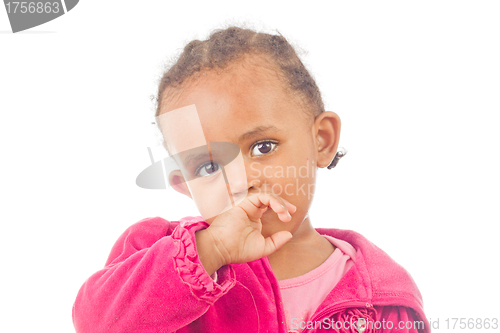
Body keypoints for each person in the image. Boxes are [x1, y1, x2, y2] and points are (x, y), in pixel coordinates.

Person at [72, 26, 430, 333]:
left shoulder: (382, 297)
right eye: (209, 168)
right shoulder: (157, 255)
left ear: (321, 140)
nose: (241, 182)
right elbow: (94, 321)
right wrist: (211, 250)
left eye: (262, 147)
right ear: (185, 186)